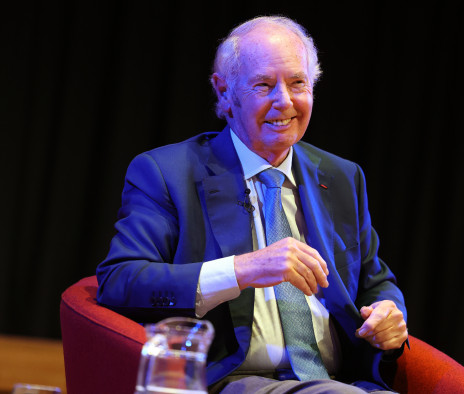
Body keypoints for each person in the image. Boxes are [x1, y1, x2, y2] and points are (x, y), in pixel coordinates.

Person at [97, 15, 408, 393]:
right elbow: (120, 280)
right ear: (225, 92)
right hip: (230, 378)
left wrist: (389, 313)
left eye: (298, 83)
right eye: (264, 84)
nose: (285, 101)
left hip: (337, 380)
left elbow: (376, 282)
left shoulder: (342, 177)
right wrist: (243, 269)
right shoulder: (167, 173)